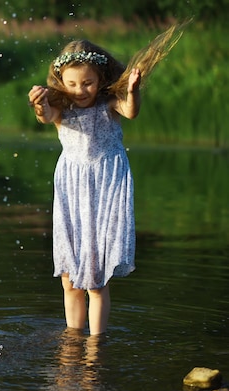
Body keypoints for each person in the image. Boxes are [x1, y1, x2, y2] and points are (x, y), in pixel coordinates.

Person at [27, 22, 188, 335]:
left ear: (100, 78)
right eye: (72, 83)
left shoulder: (107, 104)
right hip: (72, 190)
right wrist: (38, 103)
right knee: (71, 279)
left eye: (87, 82)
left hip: (105, 187)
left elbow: (131, 111)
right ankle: (74, 341)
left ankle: (95, 345)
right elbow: (44, 117)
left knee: (96, 279)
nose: (80, 90)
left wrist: (133, 90)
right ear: (61, 80)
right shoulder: (59, 107)